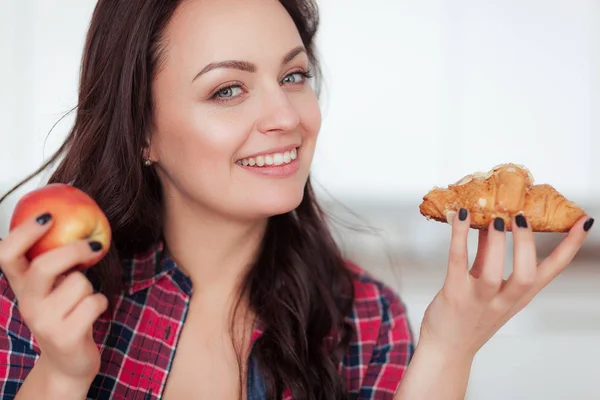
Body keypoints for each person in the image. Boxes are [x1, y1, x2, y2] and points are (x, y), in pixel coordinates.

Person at [0, 0, 593, 399]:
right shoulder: (34, 303)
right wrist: (62, 374)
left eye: (292, 76)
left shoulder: (364, 319)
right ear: (142, 131)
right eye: (228, 89)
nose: (287, 116)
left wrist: (450, 347)